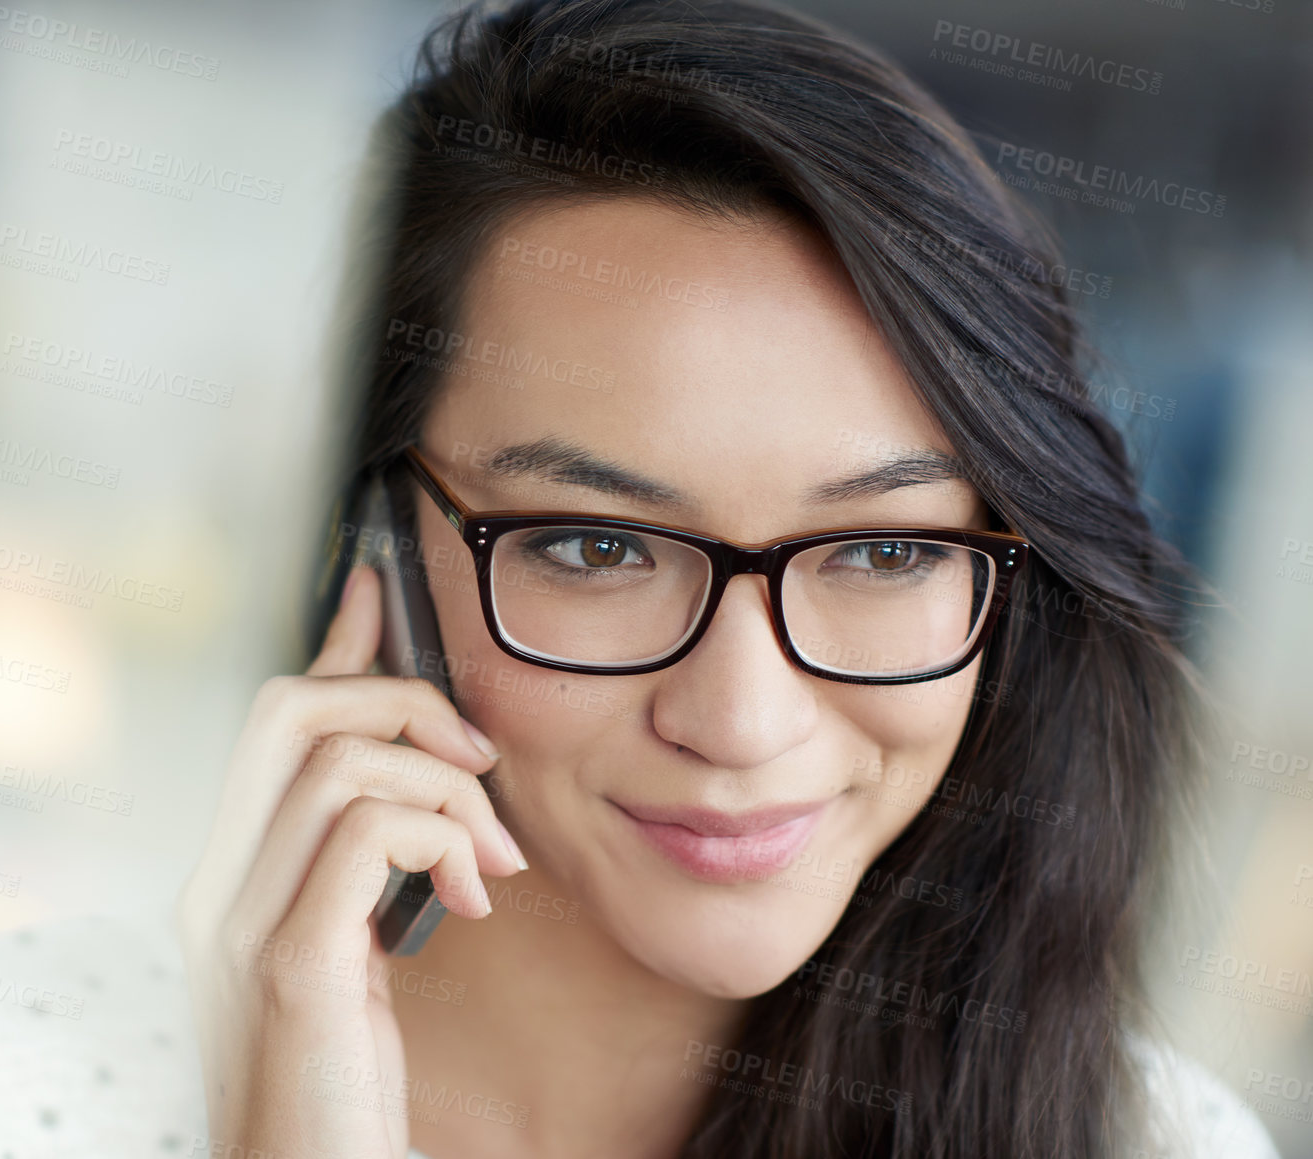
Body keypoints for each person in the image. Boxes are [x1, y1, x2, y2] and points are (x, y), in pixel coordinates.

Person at [173, 2, 1280, 1158]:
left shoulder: (1160, 1141)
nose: (742, 723)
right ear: (383, 543)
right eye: (598, 547)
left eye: (882, 552)